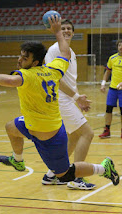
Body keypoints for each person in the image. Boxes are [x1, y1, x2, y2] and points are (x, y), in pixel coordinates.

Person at [0, 16, 120, 187]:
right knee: (10, 127)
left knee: (65, 174)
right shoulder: (53, 69)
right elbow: (65, 52)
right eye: (20, 56)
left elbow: (9, 81)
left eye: (24, 58)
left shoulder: (28, 75)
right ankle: (18, 160)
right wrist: (57, 32)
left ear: (34, 62)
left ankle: (103, 168)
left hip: (48, 134)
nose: (19, 60)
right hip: (32, 124)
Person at [42, 19, 95, 190]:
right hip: (59, 99)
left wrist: (77, 100)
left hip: (67, 99)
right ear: (58, 30)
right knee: (87, 133)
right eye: (62, 28)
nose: (65, 30)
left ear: (73, 32)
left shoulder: (70, 51)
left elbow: (70, 80)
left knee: (74, 136)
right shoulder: (55, 49)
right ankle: (76, 178)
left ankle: (52, 174)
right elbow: (54, 78)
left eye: (69, 28)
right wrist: (76, 97)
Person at [99, 39, 122, 139]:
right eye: (119, 45)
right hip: (112, 88)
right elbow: (107, 71)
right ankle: (107, 130)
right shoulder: (112, 58)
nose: (121, 47)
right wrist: (103, 83)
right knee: (108, 108)